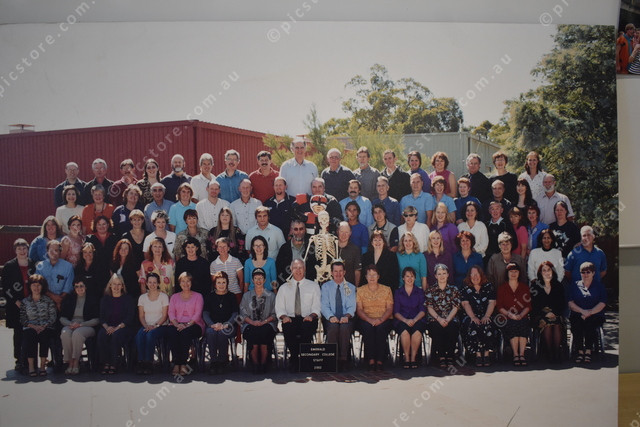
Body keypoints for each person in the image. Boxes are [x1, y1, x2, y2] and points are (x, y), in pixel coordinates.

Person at [276, 259, 321, 372]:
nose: (298, 270)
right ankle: (294, 359)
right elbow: (279, 308)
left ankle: (305, 358)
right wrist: (284, 317)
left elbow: (317, 306)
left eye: (301, 267)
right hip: (290, 318)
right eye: (295, 268)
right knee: (288, 327)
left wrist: (311, 316)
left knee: (307, 327)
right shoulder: (284, 287)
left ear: (304, 269)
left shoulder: (313, 286)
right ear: (291, 269)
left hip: (308, 317)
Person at [2, 239, 35, 371]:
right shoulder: (9, 266)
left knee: (32, 332)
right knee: (19, 332)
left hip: (32, 303)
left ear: (28, 249)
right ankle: (19, 359)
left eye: (24, 248)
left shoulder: (33, 264)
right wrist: (16, 301)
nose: (22, 251)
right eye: (19, 249)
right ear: (15, 251)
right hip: (16, 304)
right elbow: (6, 287)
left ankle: (31, 358)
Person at [239, 268, 277, 374]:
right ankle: (255, 364)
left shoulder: (271, 295)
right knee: (253, 332)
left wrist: (264, 322)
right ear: (252, 280)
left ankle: (264, 364)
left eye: (260, 278)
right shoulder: (246, 296)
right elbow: (243, 314)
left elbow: (275, 314)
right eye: (256, 278)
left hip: (267, 323)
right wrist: (253, 322)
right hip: (250, 324)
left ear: (264, 280)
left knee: (264, 331)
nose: (258, 281)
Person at [567, 262, 607, 364]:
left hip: (595, 314)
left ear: (593, 273)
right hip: (578, 313)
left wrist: (590, 312)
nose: (585, 274)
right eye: (583, 272)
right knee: (576, 324)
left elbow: (602, 303)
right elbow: (570, 303)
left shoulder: (599, 286)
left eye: (588, 272)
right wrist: (582, 311)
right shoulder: (574, 285)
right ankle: (580, 351)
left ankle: (588, 351)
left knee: (590, 323)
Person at [356, 265, 394, 371]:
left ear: (378, 276)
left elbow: (389, 308)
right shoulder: (360, 290)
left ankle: (380, 360)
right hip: (366, 319)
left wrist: (380, 320)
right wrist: (370, 320)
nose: (372, 277)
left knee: (380, 328)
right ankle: (371, 360)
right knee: (368, 328)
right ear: (366, 277)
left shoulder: (386, 289)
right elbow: (359, 310)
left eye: (374, 275)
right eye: (369, 275)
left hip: (384, 319)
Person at [321, 261, 356, 372]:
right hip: (331, 318)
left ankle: (343, 360)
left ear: (344, 272)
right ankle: (333, 360)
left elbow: (352, 306)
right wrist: (331, 316)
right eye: (335, 271)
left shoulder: (350, 287)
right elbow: (324, 305)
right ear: (331, 273)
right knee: (333, 328)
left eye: (340, 271)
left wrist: (347, 316)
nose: (338, 274)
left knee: (344, 328)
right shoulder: (325, 287)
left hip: (346, 318)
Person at [167, 272, 204, 376]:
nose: (185, 283)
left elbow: (197, 314)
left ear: (191, 283)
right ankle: (176, 363)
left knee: (185, 333)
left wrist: (187, 325)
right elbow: (171, 313)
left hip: (194, 324)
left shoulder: (198, 296)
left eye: (188, 281)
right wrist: (176, 324)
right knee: (171, 332)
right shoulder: (174, 297)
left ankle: (183, 363)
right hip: (177, 324)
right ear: (179, 283)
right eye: (183, 281)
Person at [20, 274, 57, 377]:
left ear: (42, 286)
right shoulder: (25, 302)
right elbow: (23, 319)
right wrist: (34, 326)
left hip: (45, 327)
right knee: (30, 336)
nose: (36, 288)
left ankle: (42, 366)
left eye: (39, 285)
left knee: (44, 336)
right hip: (30, 327)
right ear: (30, 286)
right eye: (34, 285)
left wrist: (43, 326)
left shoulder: (48, 301)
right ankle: (31, 367)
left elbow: (53, 317)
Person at [60, 278, 100, 374]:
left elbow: (96, 320)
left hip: (87, 326)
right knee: (65, 333)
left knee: (77, 334)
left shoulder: (92, 299)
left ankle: (76, 362)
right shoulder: (69, 299)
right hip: (71, 324)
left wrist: (81, 324)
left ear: (86, 287)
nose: (79, 288)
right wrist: (70, 324)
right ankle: (70, 362)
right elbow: (62, 318)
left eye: (81, 286)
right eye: (76, 286)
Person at [97, 274, 135, 375]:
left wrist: (117, 328)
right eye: (114, 284)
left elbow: (129, 317)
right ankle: (106, 363)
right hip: (108, 326)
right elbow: (101, 317)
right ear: (110, 285)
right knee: (102, 335)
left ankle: (114, 363)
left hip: (123, 327)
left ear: (122, 286)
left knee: (115, 335)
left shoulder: (128, 299)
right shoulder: (105, 299)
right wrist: (107, 327)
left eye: (119, 284)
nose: (116, 287)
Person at [425, 264, 461, 369]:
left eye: (444, 273)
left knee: (453, 327)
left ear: (448, 275)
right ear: (435, 276)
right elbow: (429, 308)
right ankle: (441, 356)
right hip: (435, 318)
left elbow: (455, 307)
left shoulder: (454, 289)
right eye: (439, 274)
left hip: (450, 317)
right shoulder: (430, 290)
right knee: (436, 328)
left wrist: (448, 319)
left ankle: (450, 356)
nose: (442, 276)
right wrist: (440, 319)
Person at [496, 262, 532, 367]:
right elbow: (499, 307)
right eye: (511, 271)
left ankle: (522, 354)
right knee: (513, 324)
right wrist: (510, 315)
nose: (513, 273)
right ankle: (516, 354)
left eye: (516, 271)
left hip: (522, 315)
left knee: (523, 323)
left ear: (519, 273)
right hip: (507, 317)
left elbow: (528, 306)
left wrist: (521, 315)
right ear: (507, 273)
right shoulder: (502, 288)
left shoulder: (524, 288)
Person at [460, 266, 496, 367]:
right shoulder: (465, 287)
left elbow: (492, 302)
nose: (475, 277)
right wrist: (473, 317)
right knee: (473, 324)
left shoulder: (488, 286)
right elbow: (465, 304)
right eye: (472, 274)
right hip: (470, 315)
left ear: (481, 275)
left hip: (486, 314)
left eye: (477, 274)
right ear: (469, 276)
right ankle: (478, 355)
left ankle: (487, 354)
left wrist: (487, 316)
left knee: (487, 323)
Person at [203, 271, 238, 374]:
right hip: (213, 325)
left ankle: (223, 361)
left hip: (228, 326)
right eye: (219, 282)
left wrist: (226, 324)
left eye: (223, 282)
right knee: (210, 332)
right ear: (215, 284)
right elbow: (205, 313)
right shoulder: (210, 296)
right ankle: (214, 361)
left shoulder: (231, 296)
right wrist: (211, 325)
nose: (221, 285)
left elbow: (235, 314)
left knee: (223, 333)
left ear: (227, 283)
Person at [531, 262, 566, 363]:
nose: (547, 272)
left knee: (556, 324)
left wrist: (554, 313)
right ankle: (549, 353)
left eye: (549, 270)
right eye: (544, 270)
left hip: (556, 314)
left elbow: (562, 303)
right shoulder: (535, 286)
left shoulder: (558, 285)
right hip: (540, 315)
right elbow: (533, 305)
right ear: (540, 273)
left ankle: (556, 352)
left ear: (552, 271)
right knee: (547, 323)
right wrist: (545, 314)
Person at [135, 272, 169, 374]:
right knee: (139, 335)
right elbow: (141, 316)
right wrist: (146, 326)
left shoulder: (163, 296)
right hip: (146, 325)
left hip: (160, 326)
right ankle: (141, 362)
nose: (152, 284)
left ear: (158, 283)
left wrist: (155, 326)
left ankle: (149, 363)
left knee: (150, 335)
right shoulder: (142, 298)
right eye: (150, 282)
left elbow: (164, 316)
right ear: (146, 283)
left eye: (154, 282)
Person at [393, 266, 427, 369]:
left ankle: (413, 358)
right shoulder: (398, 292)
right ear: (403, 278)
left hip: (417, 318)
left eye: (412, 276)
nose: (409, 278)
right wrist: (406, 320)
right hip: (402, 319)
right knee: (405, 332)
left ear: (415, 278)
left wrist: (414, 320)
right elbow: (396, 312)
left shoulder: (420, 292)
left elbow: (423, 310)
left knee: (417, 332)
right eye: (407, 276)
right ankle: (407, 358)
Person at [35, 240, 74, 311]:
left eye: (56, 250)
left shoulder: (68, 266)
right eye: (51, 250)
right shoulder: (40, 266)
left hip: (63, 301)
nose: (54, 253)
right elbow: (38, 285)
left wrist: (59, 300)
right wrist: (53, 297)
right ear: (47, 251)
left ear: (60, 252)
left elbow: (68, 287)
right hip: (44, 301)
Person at [209, 237, 245, 302]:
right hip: (220, 296)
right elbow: (214, 283)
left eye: (224, 246)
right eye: (220, 247)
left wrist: (240, 292)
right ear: (217, 249)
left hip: (236, 293)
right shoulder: (213, 264)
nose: (222, 249)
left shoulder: (236, 261)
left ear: (228, 248)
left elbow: (241, 280)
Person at [275, 220, 309, 286]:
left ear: (305, 230)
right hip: (289, 285)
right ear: (292, 231)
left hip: (307, 285)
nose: (299, 232)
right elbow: (279, 269)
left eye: (301, 229)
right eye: (296, 229)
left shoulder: (310, 247)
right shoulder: (284, 248)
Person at [85, 216, 119, 280]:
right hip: (94, 271)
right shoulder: (89, 238)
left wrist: (113, 269)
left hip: (110, 271)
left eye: (104, 224)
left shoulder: (114, 238)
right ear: (95, 226)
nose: (101, 226)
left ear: (108, 225)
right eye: (99, 224)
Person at [336, 221, 362, 286]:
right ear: (337, 231)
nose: (344, 235)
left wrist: (356, 287)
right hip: (331, 286)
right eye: (341, 232)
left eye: (346, 232)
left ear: (350, 233)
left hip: (348, 286)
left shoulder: (355, 249)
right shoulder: (330, 247)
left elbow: (357, 271)